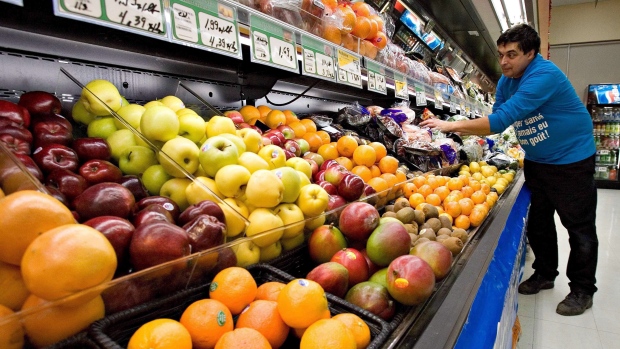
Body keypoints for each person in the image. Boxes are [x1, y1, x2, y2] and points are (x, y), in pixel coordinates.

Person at [420, 23, 598, 316]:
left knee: (578, 228)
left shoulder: (544, 75)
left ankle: (582, 289)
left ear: (531, 54)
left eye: (512, 54)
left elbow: (503, 120)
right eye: (501, 54)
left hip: (571, 161)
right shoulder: (506, 80)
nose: (504, 61)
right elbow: (496, 118)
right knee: (539, 223)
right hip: (539, 161)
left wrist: (450, 125)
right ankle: (544, 274)